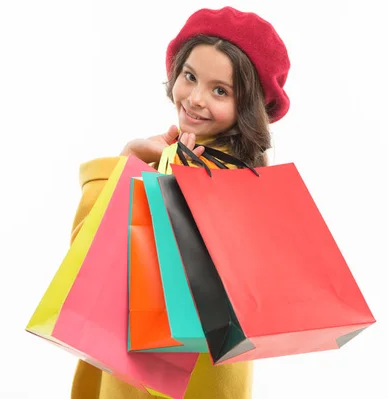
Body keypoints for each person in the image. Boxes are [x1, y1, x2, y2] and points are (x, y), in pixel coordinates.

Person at [69, 6, 291, 398]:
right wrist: (130, 163)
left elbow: (89, 259)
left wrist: (122, 169)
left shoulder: (236, 186)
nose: (194, 99)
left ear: (248, 107)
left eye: (220, 90)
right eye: (190, 77)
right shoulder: (167, 157)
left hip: (182, 381)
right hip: (140, 369)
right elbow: (85, 266)